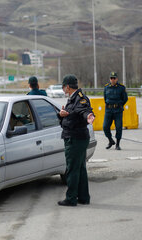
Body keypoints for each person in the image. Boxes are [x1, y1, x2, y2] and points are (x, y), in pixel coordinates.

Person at [57, 74, 95, 207]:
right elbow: (71, 115)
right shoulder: (73, 99)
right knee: (80, 168)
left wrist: (89, 116)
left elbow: (83, 110)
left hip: (75, 138)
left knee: (72, 169)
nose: (63, 90)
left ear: (67, 87)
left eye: (63, 87)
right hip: (77, 136)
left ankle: (71, 198)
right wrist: (61, 115)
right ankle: (84, 197)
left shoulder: (79, 99)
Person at [103, 72, 128, 150]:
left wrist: (119, 105)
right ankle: (110, 140)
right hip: (108, 110)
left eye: (114, 78)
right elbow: (105, 98)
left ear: (117, 79)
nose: (113, 80)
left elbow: (125, 98)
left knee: (118, 127)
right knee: (105, 127)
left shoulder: (121, 88)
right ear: (109, 79)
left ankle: (117, 144)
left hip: (118, 110)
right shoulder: (106, 87)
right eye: (111, 78)